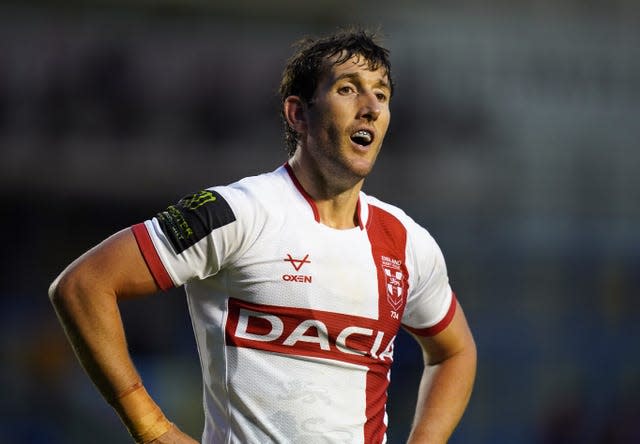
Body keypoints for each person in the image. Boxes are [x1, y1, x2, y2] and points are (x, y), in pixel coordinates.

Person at [49, 28, 476, 444]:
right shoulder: (238, 212)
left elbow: (454, 352)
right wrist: (152, 429)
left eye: (380, 94)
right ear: (298, 113)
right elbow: (83, 285)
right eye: (348, 89)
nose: (370, 107)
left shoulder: (406, 242)